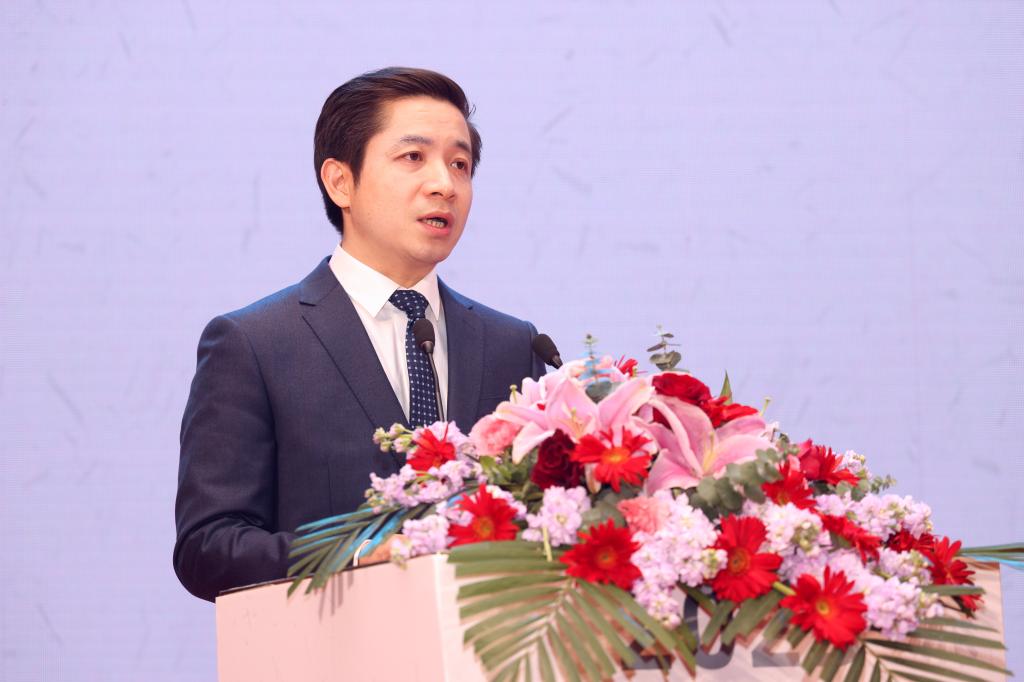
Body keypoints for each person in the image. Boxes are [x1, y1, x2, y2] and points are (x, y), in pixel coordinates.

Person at [173, 67, 546, 602]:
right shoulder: (254, 344)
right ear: (340, 182)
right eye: (413, 157)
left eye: (459, 164)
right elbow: (208, 548)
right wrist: (354, 554)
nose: (444, 184)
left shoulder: (513, 346)